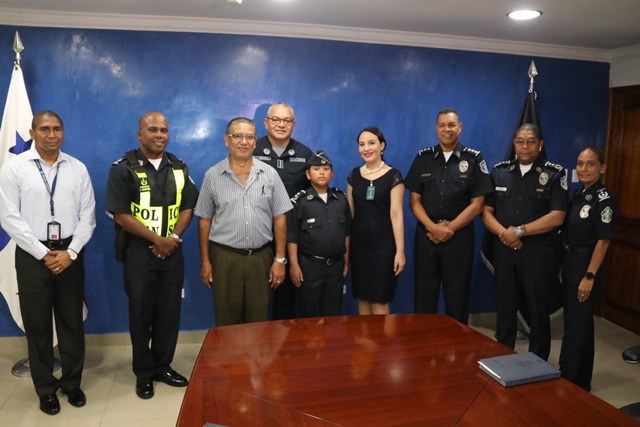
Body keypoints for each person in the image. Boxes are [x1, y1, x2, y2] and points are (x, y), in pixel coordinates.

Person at [0, 110, 96, 415]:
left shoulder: (77, 168)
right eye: (44, 129)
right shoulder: (14, 168)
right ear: (32, 133)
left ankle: (72, 384)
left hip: (70, 255)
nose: (51, 134)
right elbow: (8, 217)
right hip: (32, 257)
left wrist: (71, 252)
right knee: (38, 325)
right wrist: (43, 253)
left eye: (57, 128)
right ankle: (45, 389)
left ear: (63, 132)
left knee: (71, 324)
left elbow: (88, 216)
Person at [105, 112, 198, 400]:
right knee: (141, 313)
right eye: (153, 129)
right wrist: (158, 240)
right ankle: (143, 372)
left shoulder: (179, 167)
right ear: (140, 134)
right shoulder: (122, 168)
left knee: (169, 312)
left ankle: (162, 366)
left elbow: (188, 207)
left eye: (164, 130)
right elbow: (120, 214)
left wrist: (171, 239)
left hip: (172, 250)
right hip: (139, 252)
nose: (160, 135)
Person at [482, 123, 568, 361]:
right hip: (504, 250)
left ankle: (537, 361)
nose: (525, 146)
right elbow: (486, 213)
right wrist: (506, 234)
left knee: (538, 308)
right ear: (514, 144)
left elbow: (557, 217)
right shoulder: (499, 171)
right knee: (505, 306)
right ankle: (501, 355)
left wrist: (519, 231)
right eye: (520, 141)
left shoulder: (554, 174)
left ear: (540, 145)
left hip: (537, 252)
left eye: (531, 141)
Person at [196, 117, 292, 326]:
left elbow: (280, 218)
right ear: (226, 140)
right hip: (225, 259)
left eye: (249, 137)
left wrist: (280, 259)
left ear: (255, 142)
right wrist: (205, 261)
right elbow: (204, 220)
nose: (244, 142)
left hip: (261, 259)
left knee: (258, 322)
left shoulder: (270, 174)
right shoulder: (212, 176)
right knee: (226, 323)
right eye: (237, 136)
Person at [405, 108, 493, 325]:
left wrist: (448, 229)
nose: (447, 129)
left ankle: (457, 341)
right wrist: (433, 228)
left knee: (458, 296)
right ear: (436, 128)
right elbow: (414, 201)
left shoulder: (474, 158)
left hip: (459, 238)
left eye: (452, 125)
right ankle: (424, 338)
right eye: (442, 125)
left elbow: (478, 204)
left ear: (459, 128)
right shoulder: (423, 157)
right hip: (427, 236)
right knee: (424, 295)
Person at [559, 147, 617, 391]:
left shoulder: (604, 200)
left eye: (590, 164)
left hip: (586, 267)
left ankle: (571, 381)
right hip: (572, 263)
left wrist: (589, 276)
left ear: (602, 168)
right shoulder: (579, 195)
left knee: (578, 325)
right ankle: (578, 379)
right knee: (576, 323)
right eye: (580, 163)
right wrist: (564, 266)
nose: (583, 169)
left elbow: (603, 241)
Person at [254, 103, 313, 320]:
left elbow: (311, 195)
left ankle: (283, 338)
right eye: (276, 119)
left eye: (287, 120)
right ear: (266, 122)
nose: (281, 124)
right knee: (255, 295)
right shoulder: (252, 150)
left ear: (293, 124)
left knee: (286, 296)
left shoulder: (305, 154)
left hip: (291, 236)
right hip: (257, 233)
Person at [348, 127, 405, 315]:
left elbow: (396, 215)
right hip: (359, 247)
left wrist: (400, 252)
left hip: (383, 249)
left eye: (371, 143)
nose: (366, 148)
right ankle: (363, 336)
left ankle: (382, 337)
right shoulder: (354, 176)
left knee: (379, 300)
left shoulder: (393, 176)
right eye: (362, 144)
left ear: (382, 145)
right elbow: (350, 214)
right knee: (362, 297)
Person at [287, 150, 351, 317]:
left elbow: (346, 233)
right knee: (309, 314)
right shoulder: (300, 202)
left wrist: (346, 261)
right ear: (308, 174)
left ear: (332, 174)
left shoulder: (341, 199)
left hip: (335, 266)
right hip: (310, 266)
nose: (321, 172)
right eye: (316, 169)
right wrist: (294, 265)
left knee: (333, 313)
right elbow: (292, 236)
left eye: (326, 169)